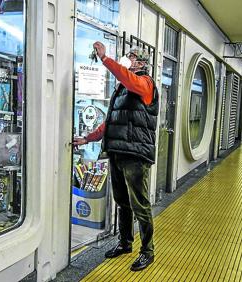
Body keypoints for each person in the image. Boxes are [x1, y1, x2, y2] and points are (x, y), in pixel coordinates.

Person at [73, 41, 159, 271]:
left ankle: (147, 251)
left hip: (135, 154)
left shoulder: (145, 84)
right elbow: (111, 121)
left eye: (131, 56)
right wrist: (88, 138)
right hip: (118, 152)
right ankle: (125, 242)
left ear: (141, 63)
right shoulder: (122, 87)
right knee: (122, 202)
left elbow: (131, 80)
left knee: (140, 204)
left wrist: (106, 59)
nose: (126, 58)